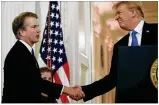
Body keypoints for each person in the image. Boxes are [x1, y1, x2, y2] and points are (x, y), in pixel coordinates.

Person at [72, 1, 158, 103]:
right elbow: (112, 79)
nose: (116, 17)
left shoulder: (156, 31)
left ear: (133, 12)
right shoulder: (120, 45)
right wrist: (84, 90)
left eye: (119, 13)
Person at [2, 12, 84, 103]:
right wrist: (68, 90)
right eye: (33, 27)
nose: (38, 30)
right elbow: (36, 83)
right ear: (22, 32)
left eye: (38, 26)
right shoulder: (18, 54)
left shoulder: (25, 52)